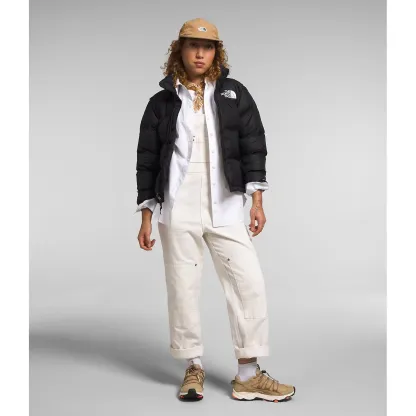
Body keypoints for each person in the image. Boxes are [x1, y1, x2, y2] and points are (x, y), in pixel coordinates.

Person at [135, 17, 296, 403]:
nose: (200, 53)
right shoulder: (161, 103)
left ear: (216, 52)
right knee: (183, 287)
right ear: (180, 50)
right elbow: (147, 160)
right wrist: (146, 215)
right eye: (192, 46)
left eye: (207, 47)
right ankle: (193, 367)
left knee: (248, 282)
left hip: (225, 203)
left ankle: (247, 375)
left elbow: (253, 145)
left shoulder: (234, 94)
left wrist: (257, 200)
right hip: (178, 205)